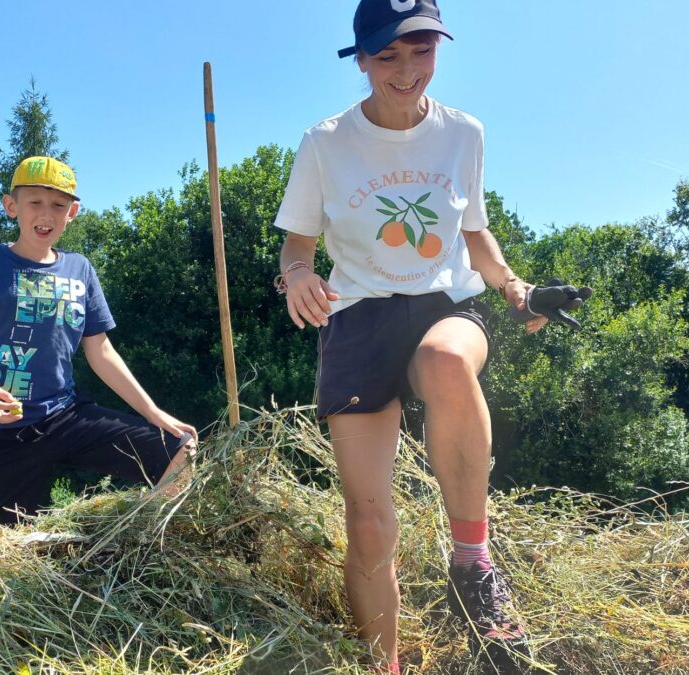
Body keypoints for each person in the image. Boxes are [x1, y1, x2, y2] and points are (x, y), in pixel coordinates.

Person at [273, 1, 560, 671]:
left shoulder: (464, 134)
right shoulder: (324, 143)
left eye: (422, 51)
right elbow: (296, 249)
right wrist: (300, 281)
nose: (407, 71)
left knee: (444, 363)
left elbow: (475, 231)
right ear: (363, 59)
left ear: (439, 49)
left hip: (444, 303)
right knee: (370, 528)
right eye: (388, 55)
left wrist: (516, 289)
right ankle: (385, 664)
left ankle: (473, 563)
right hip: (358, 322)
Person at [0, 156, 196, 524]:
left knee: (181, 448)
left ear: (72, 212)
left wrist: (152, 412)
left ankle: (141, 543)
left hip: (64, 418)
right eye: (35, 203)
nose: (47, 214)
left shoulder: (80, 269)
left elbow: (101, 350)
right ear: (11, 206)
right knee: (4, 555)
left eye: (58, 205)